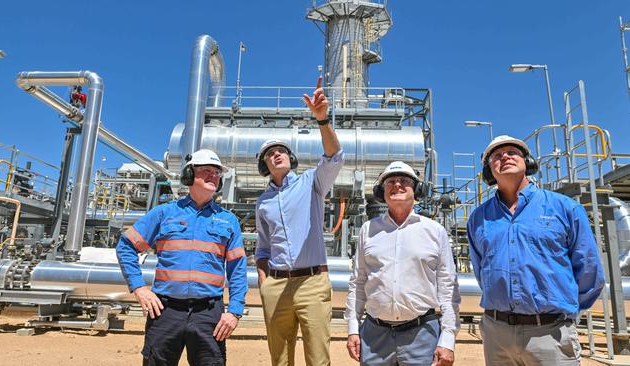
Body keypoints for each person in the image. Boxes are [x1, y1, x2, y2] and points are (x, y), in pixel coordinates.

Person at [467, 135, 605, 365]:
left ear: (527, 162)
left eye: (513, 152)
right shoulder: (479, 218)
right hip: (497, 335)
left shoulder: (564, 208)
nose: (505, 158)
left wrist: (564, 314)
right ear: (488, 170)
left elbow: (589, 269)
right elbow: (481, 271)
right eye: (496, 156)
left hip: (550, 333)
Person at [116, 149, 248, 366]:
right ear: (189, 175)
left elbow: (237, 269)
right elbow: (126, 245)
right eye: (206, 170)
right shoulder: (164, 213)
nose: (213, 175)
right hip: (166, 311)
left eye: (217, 173)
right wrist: (139, 288)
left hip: (208, 313)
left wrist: (234, 312)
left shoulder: (228, 221)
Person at [254, 76, 343, 366]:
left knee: (318, 359)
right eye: (269, 154)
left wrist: (323, 120)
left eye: (280, 151)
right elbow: (263, 248)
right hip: (276, 286)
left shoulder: (311, 183)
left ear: (290, 158)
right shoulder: (263, 202)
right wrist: (265, 283)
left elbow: (334, 156)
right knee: (279, 360)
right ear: (265, 165)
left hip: (312, 283)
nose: (275, 154)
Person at [345, 161, 460, 366]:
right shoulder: (368, 230)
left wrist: (448, 339)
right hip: (374, 336)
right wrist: (353, 328)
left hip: (422, 334)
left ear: (417, 190)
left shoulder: (434, 231)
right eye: (390, 182)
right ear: (382, 191)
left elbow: (447, 286)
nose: (397, 185)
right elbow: (358, 282)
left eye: (404, 181)